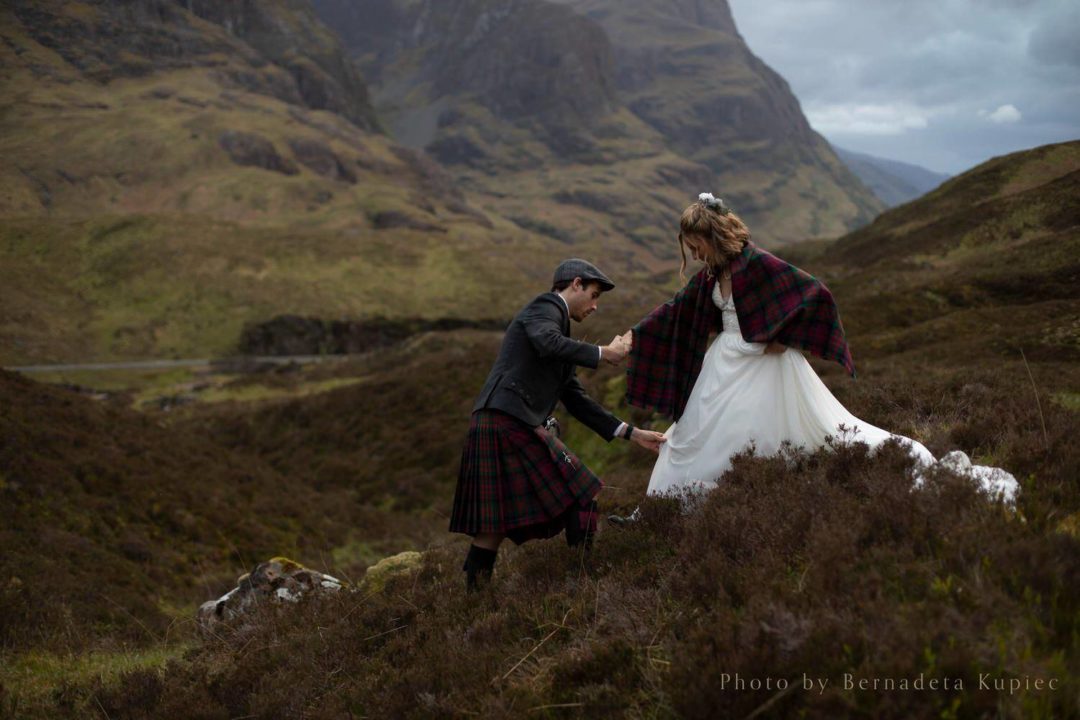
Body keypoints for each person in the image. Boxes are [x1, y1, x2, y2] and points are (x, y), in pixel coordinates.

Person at [611, 193, 1016, 522]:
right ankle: (658, 512)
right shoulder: (710, 277)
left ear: (712, 236)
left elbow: (814, 293)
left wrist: (784, 338)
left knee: (761, 436)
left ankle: (744, 504)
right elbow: (674, 310)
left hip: (763, 366)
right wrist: (632, 338)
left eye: (695, 244)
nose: (693, 252)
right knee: (685, 438)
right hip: (723, 367)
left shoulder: (757, 263)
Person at [450, 259, 667, 590]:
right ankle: (582, 582)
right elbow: (547, 342)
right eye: (593, 295)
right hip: (507, 421)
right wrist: (603, 353)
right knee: (582, 494)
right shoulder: (546, 307)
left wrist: (632, 433)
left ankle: (472, 604)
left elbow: (577, 401)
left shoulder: (557, 336)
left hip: (497, 421)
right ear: (575, 284)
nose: (595, 306)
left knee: (491, 528)